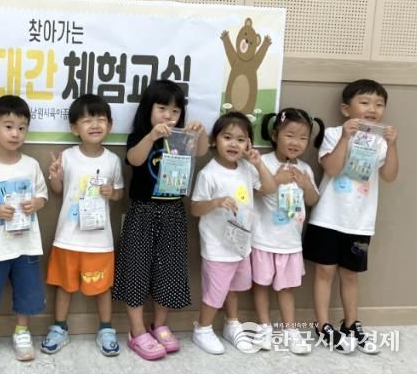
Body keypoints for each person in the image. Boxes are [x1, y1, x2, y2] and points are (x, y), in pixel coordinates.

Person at [113, 79, 209, 360]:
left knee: (169, 270)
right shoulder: (138, 136)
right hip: (141, 211)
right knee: (135, 269)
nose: (169, 115)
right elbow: (134, 159)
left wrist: (200, 132)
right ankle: (136, 330)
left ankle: (160, 325)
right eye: (162, 108)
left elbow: (202, 151)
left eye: (175, 111)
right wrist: (152, 136)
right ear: (148, 109)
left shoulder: (182, 139)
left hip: (173, 212)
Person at [303, 79, 398, 354]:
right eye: (365, 102)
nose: (372, 109)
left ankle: (351, 324)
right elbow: (331, 169)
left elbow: (390, 176)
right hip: (328, 217)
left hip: (360, 221)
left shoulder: (380, 142)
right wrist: (346, 138)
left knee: (351, 274)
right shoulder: (334, 134)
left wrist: (392, 145)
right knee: (324, 272)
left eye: (379, 104)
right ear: (346, 109)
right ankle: (322, 326)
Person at [41, 94, 124, 356]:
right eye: (87, 120)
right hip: (68, 236)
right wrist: (55, 176)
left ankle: (106, 329)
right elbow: (58, 190)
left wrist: (112, 192)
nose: (95, 125)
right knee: (64, 286)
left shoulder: (112, 160)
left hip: (100, 240)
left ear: (110, 125)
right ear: (74, 128)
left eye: (100, 119)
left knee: (103, 287)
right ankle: (59, 328)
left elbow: (120, 193)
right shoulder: (67, 156)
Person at [0, 95, 48, 362]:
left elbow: (42, 196)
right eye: (9, 126)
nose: (16, 133)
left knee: (28, 290)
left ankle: (22, 330)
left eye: (22, 127)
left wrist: (35, 204)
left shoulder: (31, 165)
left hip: (26, 244)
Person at [191, 111, 276, 354]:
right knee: (215, 292)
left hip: (240, 244)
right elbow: (195, 208)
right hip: (217, 247)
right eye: (227, 137)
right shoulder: (208, 174)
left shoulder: (247, 169)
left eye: (240, 139)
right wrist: (216, 202)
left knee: (234, 288)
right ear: (214, 140)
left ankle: (232, 323)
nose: (233, 144)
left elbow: (270, 188)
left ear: (248, 144)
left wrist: (258, 163)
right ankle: (203, 328)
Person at [251, 108, 324, 355]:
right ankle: (264, 327)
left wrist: (305, 184)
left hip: (290, 243)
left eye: (303, 138)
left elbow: (313, 200)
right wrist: (277, 179)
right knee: (261, 285)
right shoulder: (263, 162)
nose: (296, 142)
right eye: (290, 135)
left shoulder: (305, 168)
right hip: (263, 239)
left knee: (286, 288)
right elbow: (257, 191)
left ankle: (290, 330)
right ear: (275, 135)